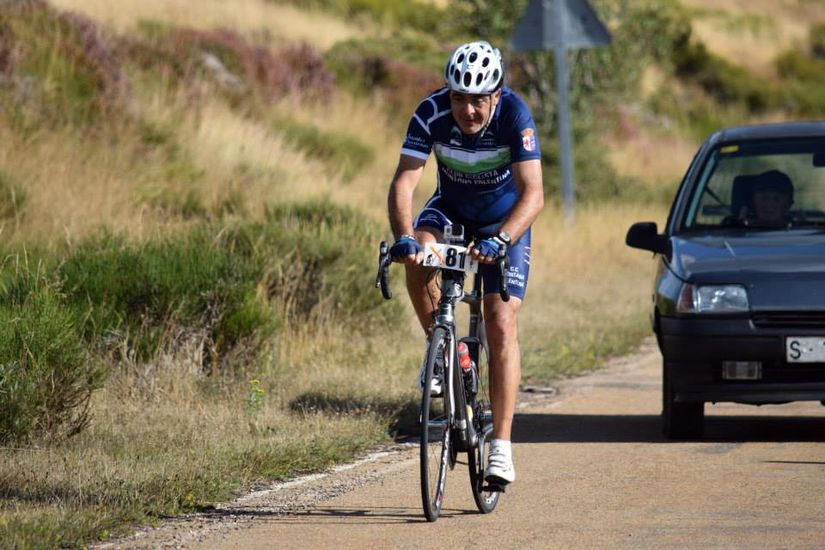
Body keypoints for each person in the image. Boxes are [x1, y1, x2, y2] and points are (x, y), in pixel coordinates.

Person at [386, 40, 544, 486]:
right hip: (451, 209)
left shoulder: (515, 115)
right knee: (418, 254)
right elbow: (404, 182)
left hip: (503, 222)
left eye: (478, 99)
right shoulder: (430, 112)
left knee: (500, 321)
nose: (468, 110)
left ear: (496, 94)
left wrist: (502, 238)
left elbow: (533, 194)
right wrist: (403, 236)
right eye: (459, 98)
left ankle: (502, 447)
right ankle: (442, 351)